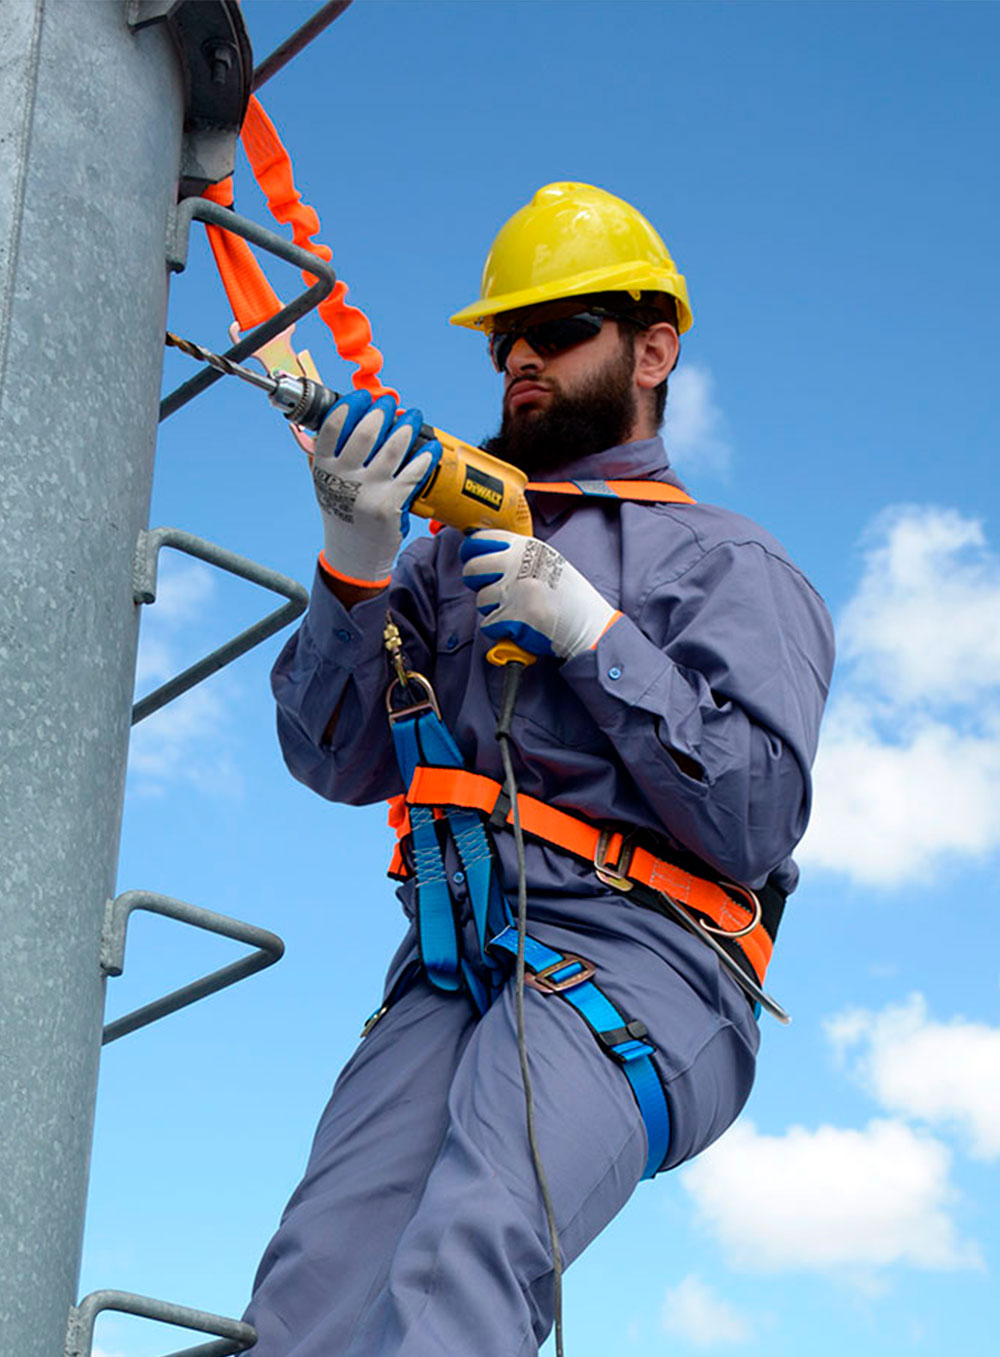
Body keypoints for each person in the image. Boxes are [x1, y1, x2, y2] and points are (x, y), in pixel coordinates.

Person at [246, 183, 835, 1357]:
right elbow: (330, 755)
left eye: (559, 331)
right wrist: (356, 563)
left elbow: (756, 813)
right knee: (311, 1290)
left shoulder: (729, 562)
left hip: (650, 962)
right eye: (506, 340)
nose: (521, 358)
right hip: (454, 960)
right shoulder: (442, 558)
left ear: (652, 348)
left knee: (471, 1240)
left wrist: (594, 632)